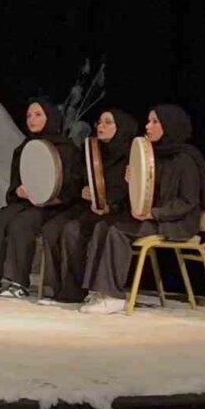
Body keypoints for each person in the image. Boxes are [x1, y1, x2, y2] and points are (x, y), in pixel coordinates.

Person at [80, 105, 205, 314]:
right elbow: (147, 193)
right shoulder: (153, 155)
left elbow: (187, 202)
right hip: (153, 217)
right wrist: (133, 182)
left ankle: (113, 296)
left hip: (175, 222)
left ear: (170, 125)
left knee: (117, 231)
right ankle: (96, 290)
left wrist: (153, 213)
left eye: (154, 122)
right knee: (103, 225)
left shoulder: (186, 159)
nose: (148, 126)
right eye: (148, 121)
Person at [0, 101, 83, 299]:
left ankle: (18, 282)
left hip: (54, 206)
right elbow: (14, 185)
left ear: (50, 117)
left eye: (38, 115)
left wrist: (51, 198)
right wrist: (19, 190)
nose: (32, 120)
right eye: (29, 116)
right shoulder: (24, 148)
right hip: (25, 203)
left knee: (21, 223)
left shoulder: (67, 149)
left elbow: (74, 187)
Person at [38, 109, 137, 304]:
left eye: (108, 122)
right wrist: (84, 191)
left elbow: (130, 194)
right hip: (91, 208)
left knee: (72, 230)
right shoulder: (94, 152)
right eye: (99, 122)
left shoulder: (131, 157)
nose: (101, 126)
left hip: (119, 211)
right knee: (52, 229)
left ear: (121, 128)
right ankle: (61, 289)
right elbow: (83, 182)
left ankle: (78, 290)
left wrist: (109, 205)